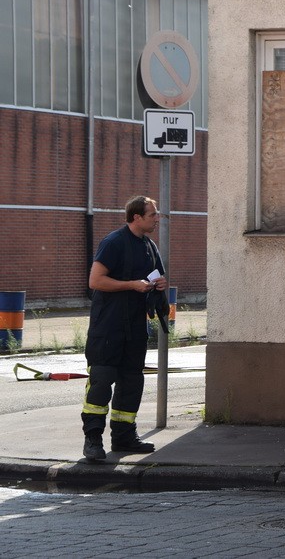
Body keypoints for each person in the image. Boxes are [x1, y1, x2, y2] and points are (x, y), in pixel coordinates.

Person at [82, 196, 168, 462]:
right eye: (152, 214)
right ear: (136, 218)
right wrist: (131, 284)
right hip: (107, 326)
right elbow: (95, 280)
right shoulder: (114, 242)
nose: (157, 218)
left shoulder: (149, 247)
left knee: (131, 382)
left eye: (156, 214)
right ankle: (93, 441)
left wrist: (159, 286)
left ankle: (123, 437)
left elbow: (155, 276)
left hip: (134, 328)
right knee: (101, 382)